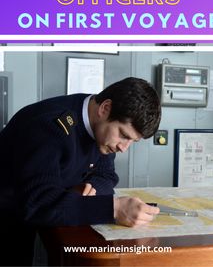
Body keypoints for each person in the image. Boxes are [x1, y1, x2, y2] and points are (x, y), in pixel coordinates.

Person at [0, 77, 161, 266]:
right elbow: (37, 203)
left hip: (35, 223)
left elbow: (106, 176)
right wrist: (114, 209)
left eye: (132, 141)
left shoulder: (100, 128)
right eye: (124, 135)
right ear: (105, 108)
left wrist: (87, 190)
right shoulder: (50, 127)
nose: (124, 148)